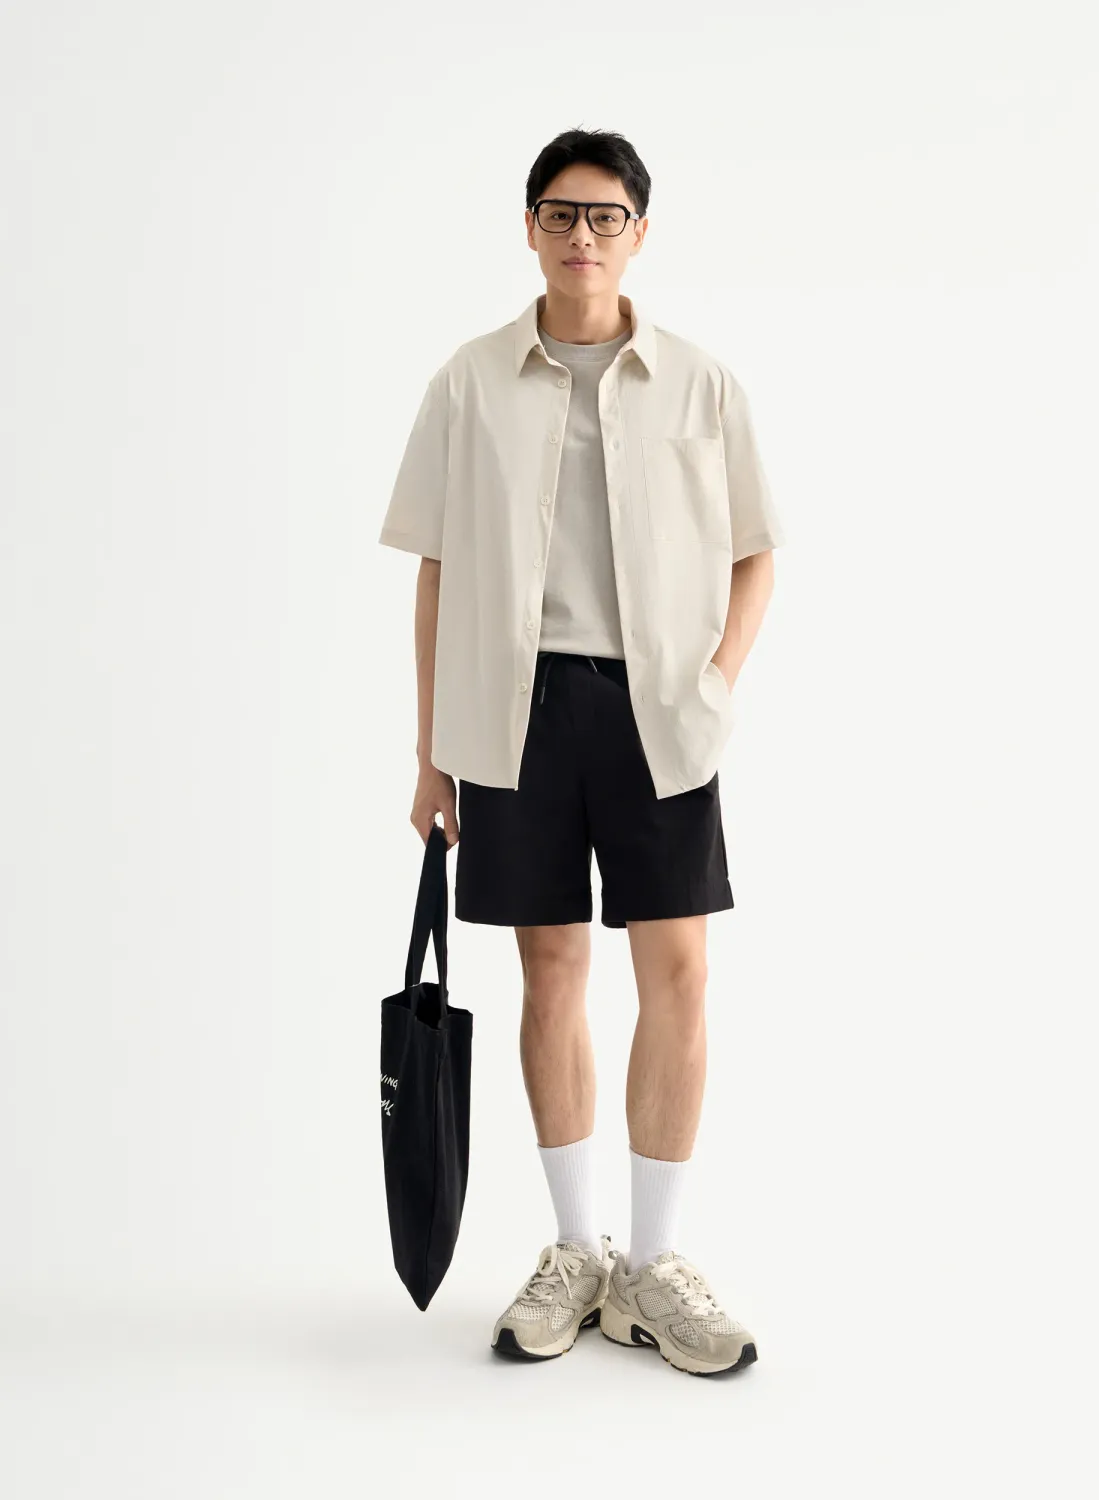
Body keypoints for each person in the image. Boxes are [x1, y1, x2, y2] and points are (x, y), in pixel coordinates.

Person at [378, 127, 784, 1376]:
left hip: (661, 716)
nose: (582, 235)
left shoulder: (702, 384)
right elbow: (435, 571)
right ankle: (575, 1251)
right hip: (516, 714)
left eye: (606, 216)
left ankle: (654, 1266)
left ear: (639, 234)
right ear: (530, 228)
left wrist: (712, 688)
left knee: (681, 975)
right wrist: (433, 754)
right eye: (561, 213)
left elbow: (757, 553)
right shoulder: (470, 381)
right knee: (549, 975)